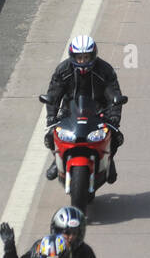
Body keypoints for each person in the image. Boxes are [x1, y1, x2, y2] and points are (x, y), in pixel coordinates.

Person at [43, 36, 125, 183]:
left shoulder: (105, 70)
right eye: (79, 57)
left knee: (116, 138)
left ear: (93, 55)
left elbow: (114, 94)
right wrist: (51, 116)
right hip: (70, 112)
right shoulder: (63, 69)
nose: (82, 61)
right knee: (50, 136)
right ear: (72, 56)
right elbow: (53, 94)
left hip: (99, 112)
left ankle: (109, 159)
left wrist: (114, 116)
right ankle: (57, 159)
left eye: (86, 57)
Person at [1, 206, 98, 258]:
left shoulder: (85, 251)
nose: (71, 237)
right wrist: (9, 248)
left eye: (75, 233)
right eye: (67, 233)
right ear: (57, 231)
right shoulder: (43, 247)